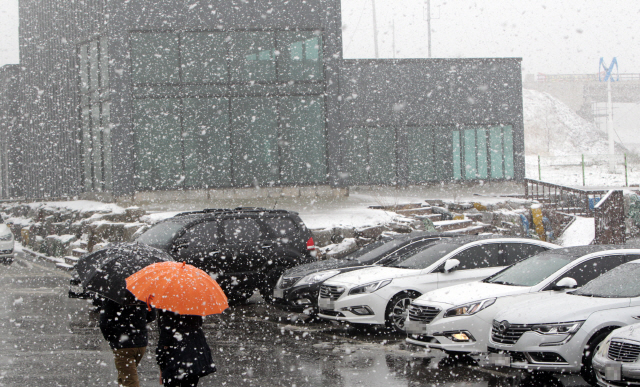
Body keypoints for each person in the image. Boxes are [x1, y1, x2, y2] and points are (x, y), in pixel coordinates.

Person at [99, 297, 156, 387]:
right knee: (124, 377)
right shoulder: (142, 293)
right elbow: (152, 315)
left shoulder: (114, 295)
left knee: (129, 381)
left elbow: (104, 322)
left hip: (123, 345)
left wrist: (112, 337)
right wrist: (138, 322)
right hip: (141, 343)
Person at [156, 309, 216, 387]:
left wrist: (160, 359)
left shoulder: (169, 308)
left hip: (175, 358)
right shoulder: (194, 304)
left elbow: (165, 336)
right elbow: (199, 324)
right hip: (194, 354)